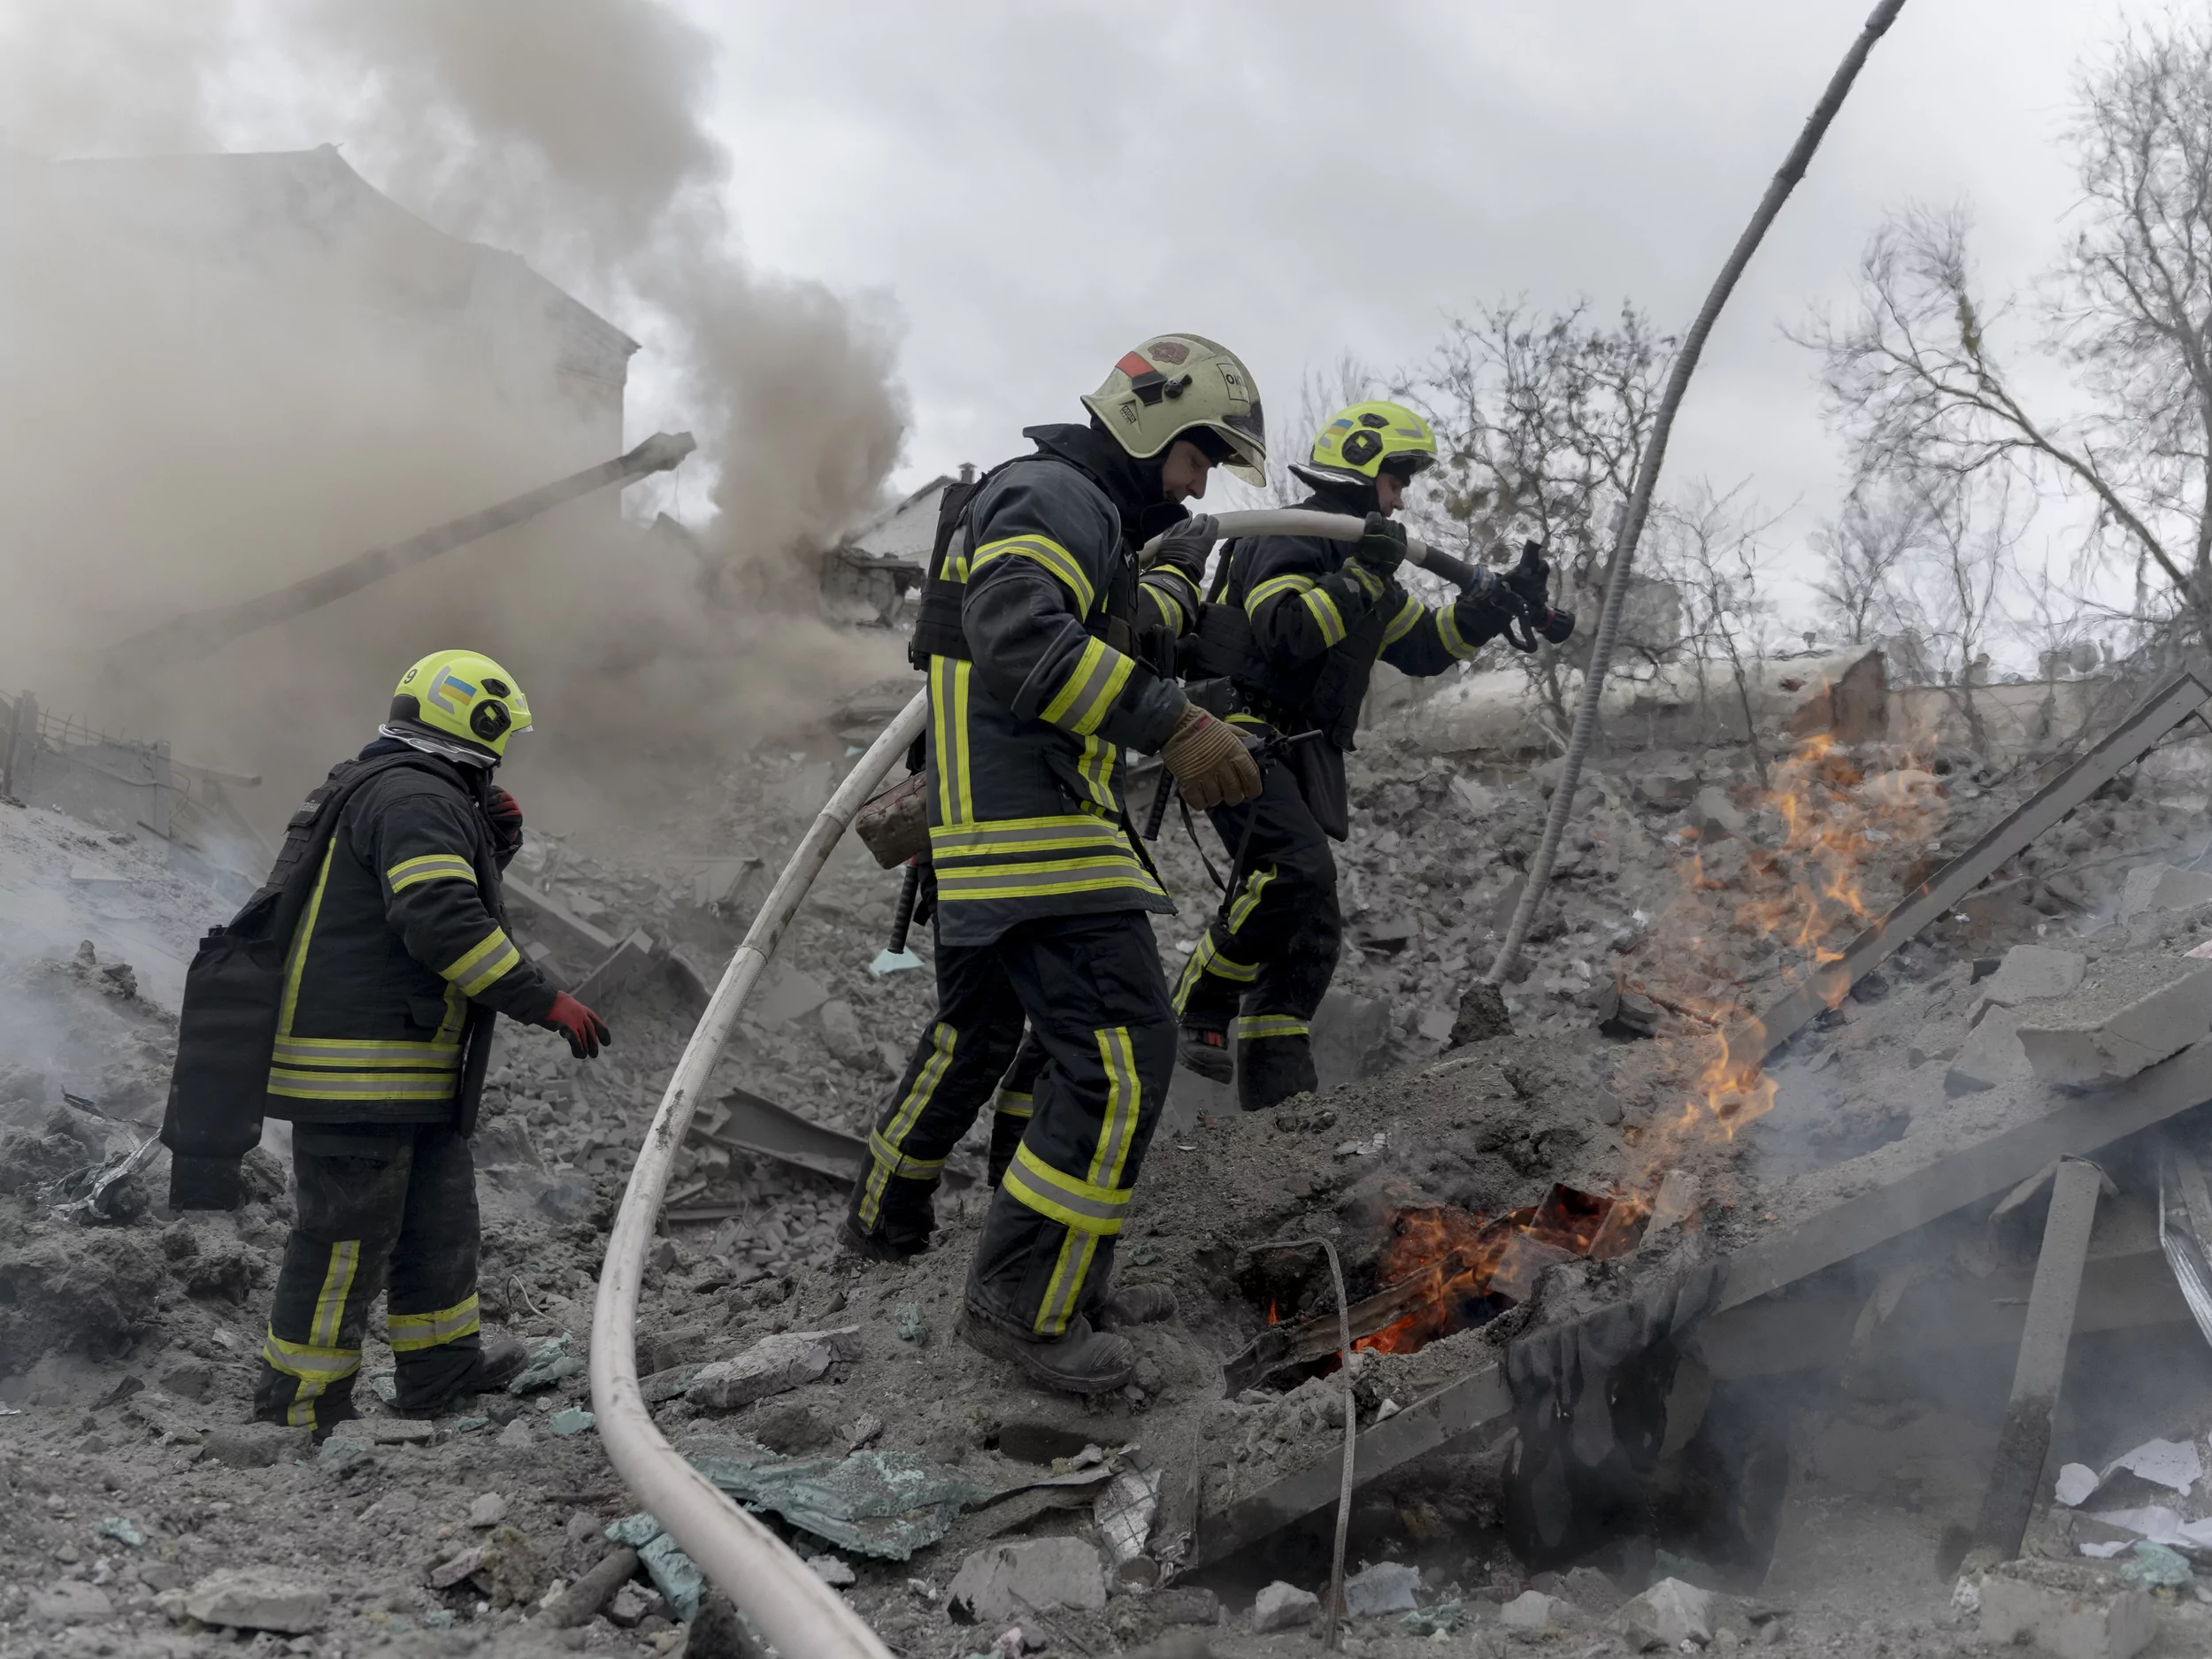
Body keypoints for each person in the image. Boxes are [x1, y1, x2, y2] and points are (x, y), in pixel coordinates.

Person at [840, 334, 1267, 1394]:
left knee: (1047, 1052)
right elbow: (1021, 638)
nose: (1197, 481)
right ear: (1148, 424)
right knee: (1122, 1058)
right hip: (1032, 837)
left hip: (1024, 830)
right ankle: (1022, 1308)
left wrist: (1169, 649)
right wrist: (1170, 722)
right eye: (1195, 454)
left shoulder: (1080, 515)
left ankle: (1061, 1278)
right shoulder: (1053, 496)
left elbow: (1087, 647)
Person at [162, 650, 611, 1431]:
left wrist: (490, 842)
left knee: (440, 1221)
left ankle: (441, 1374)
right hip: (359, 1070)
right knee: (343, 1239)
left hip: (403, 1069)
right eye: (500, 733)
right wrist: (546, 1001)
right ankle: (301, 1407)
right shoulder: (414, 796)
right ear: (477, 725)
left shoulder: (402, 787)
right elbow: (441, 918)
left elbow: (415, 893)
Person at [1171, 401, 1574, 1110]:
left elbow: (1424, 648)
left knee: (1311, 932)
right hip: (1235, 737)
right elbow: (1286, 630)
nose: (1402, 495)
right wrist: (1363, 578)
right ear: (1361, 470)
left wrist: (1492, 605)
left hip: (1298, 752)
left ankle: (1280, 1113)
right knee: (1293, 872)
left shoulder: (1367, 566)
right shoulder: (1291, 537)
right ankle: (1199, 1001)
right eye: (1397, 478)